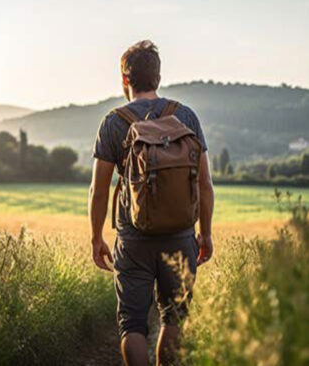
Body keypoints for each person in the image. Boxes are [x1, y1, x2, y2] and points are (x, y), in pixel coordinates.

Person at [88, 40, 215, 366]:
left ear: (125, 81)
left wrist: (96, 237)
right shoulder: (185, 116)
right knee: (173, 319)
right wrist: (206, 233)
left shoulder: (113, 123)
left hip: (133, 240)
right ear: (157, 77)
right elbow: (204, 183)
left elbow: (99, 191)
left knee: (132, 325)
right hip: (181, 236)